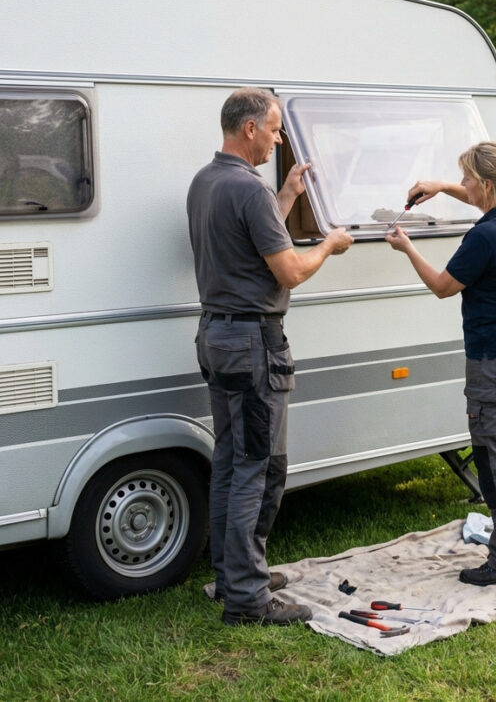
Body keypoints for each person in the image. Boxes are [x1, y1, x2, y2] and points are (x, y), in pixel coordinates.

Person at [187, 87, 353, 625]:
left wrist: (285, 195)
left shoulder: (206, 182)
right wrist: (329, 244)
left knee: (231, 462)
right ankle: (248, 598)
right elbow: (289, 271)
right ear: (250, 128)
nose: (279, 139)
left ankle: (233, 575)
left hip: (216, 335)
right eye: (276, 129)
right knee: (258, 469)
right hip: (253, 343)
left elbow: (250, 241)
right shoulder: (247, 189)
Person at [385, 141, 496, 585]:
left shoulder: (484, 236)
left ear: (487, 185)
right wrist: (441, 186)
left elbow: (443, 286)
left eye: (467, 180)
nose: (463, 185)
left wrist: (408, 248)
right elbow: (479, 198)